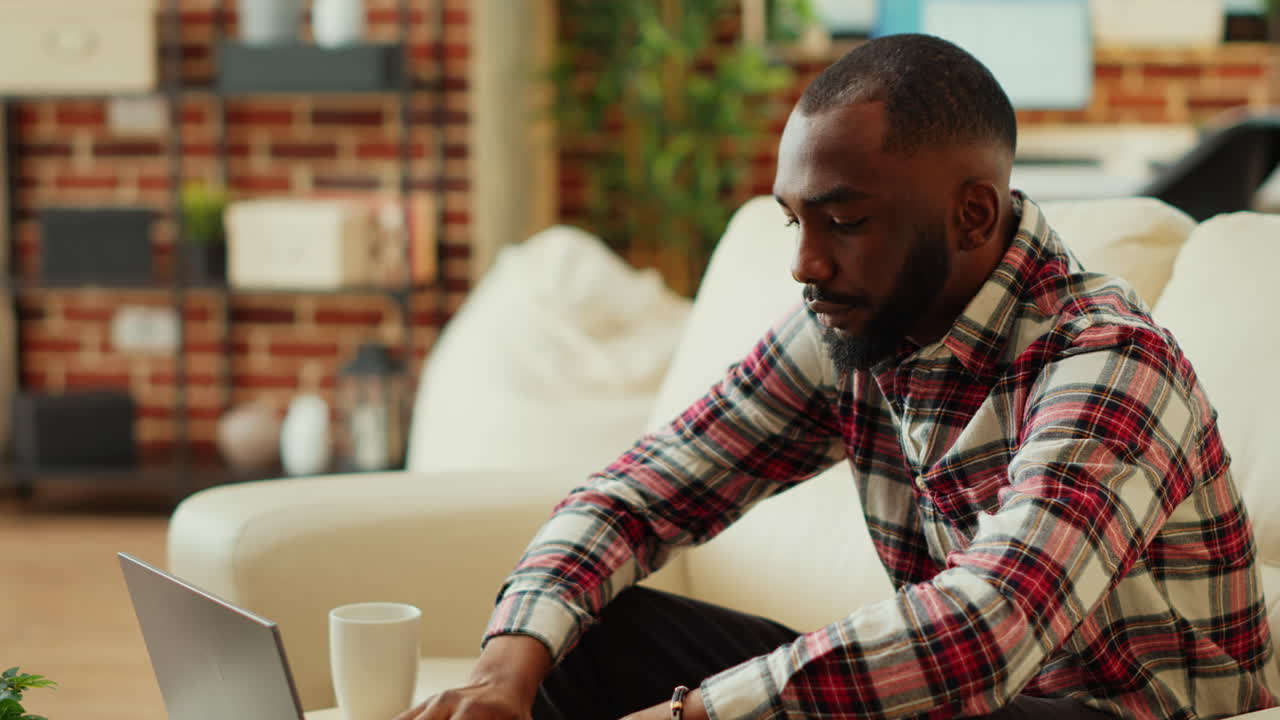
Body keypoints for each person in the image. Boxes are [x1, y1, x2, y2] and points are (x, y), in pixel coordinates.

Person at [397, 34, 1279, 720]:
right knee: (585, 637)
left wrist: (700, 709)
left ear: (971, 214)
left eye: (845, 220)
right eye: (794, 221)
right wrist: (502, 669)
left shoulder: (1107, 360)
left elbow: (985, 631)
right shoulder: (855, 320)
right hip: (966, 697)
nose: (806, 263)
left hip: (1111, 710)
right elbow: (635, 493)